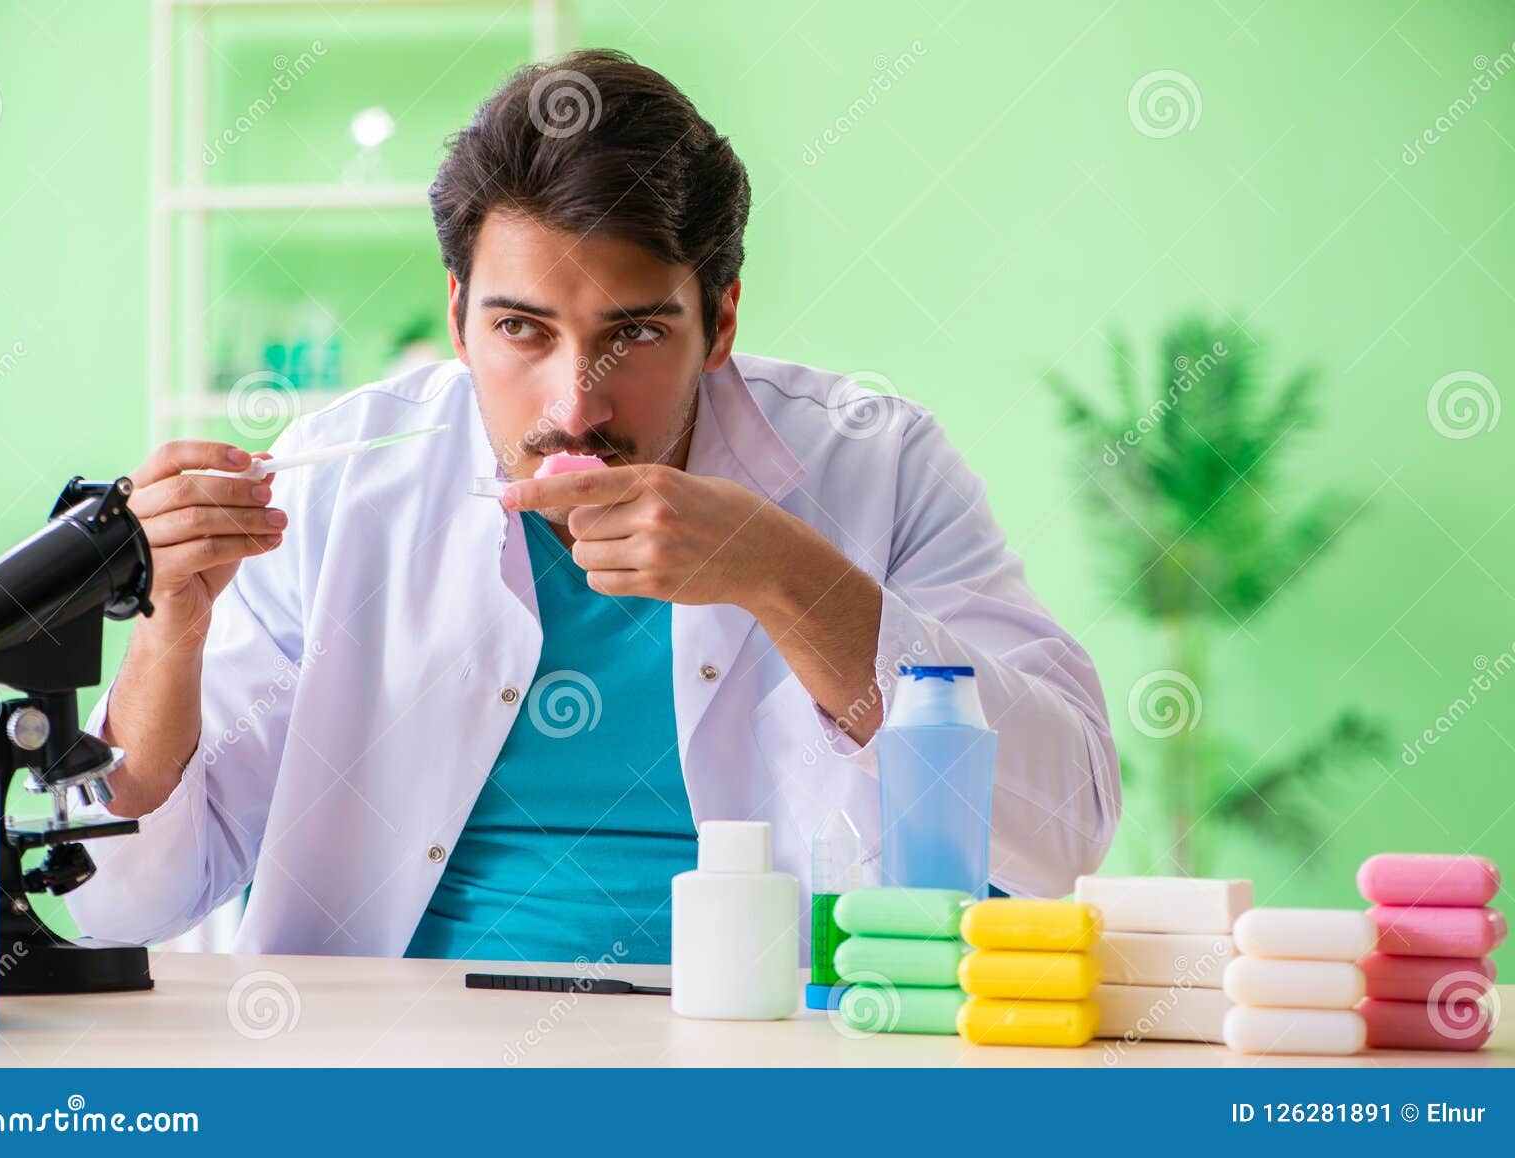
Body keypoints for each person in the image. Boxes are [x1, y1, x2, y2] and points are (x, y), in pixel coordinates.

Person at [67, 50, 1119, 963]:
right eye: (522, 330)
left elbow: (1060, 827)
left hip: (770, 1056)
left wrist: (787, 578)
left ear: (719, 323)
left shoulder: (875, 459)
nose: (575, 404)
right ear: (458, 317)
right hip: (393, 1055)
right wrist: (172, 634)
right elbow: (125, 901)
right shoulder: (341, 479)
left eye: (636, 335)